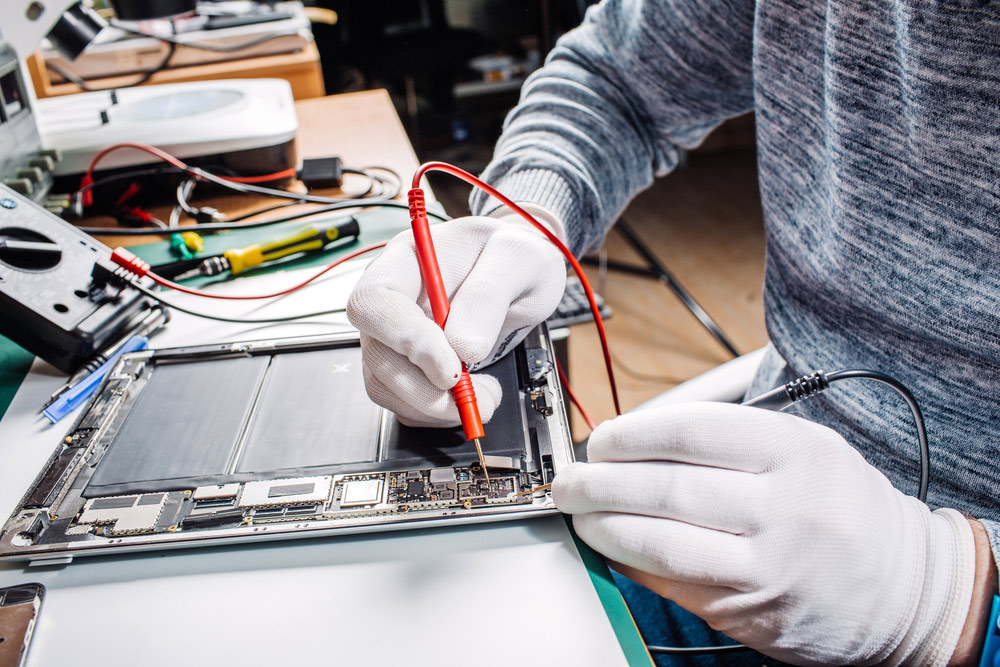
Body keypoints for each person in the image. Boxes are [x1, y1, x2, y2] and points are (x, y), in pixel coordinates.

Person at [346, 1, 1000, 664]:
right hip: (744, 537)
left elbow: (950, 598)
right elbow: (618, 81)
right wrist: (530, 216)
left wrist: (952, 594)